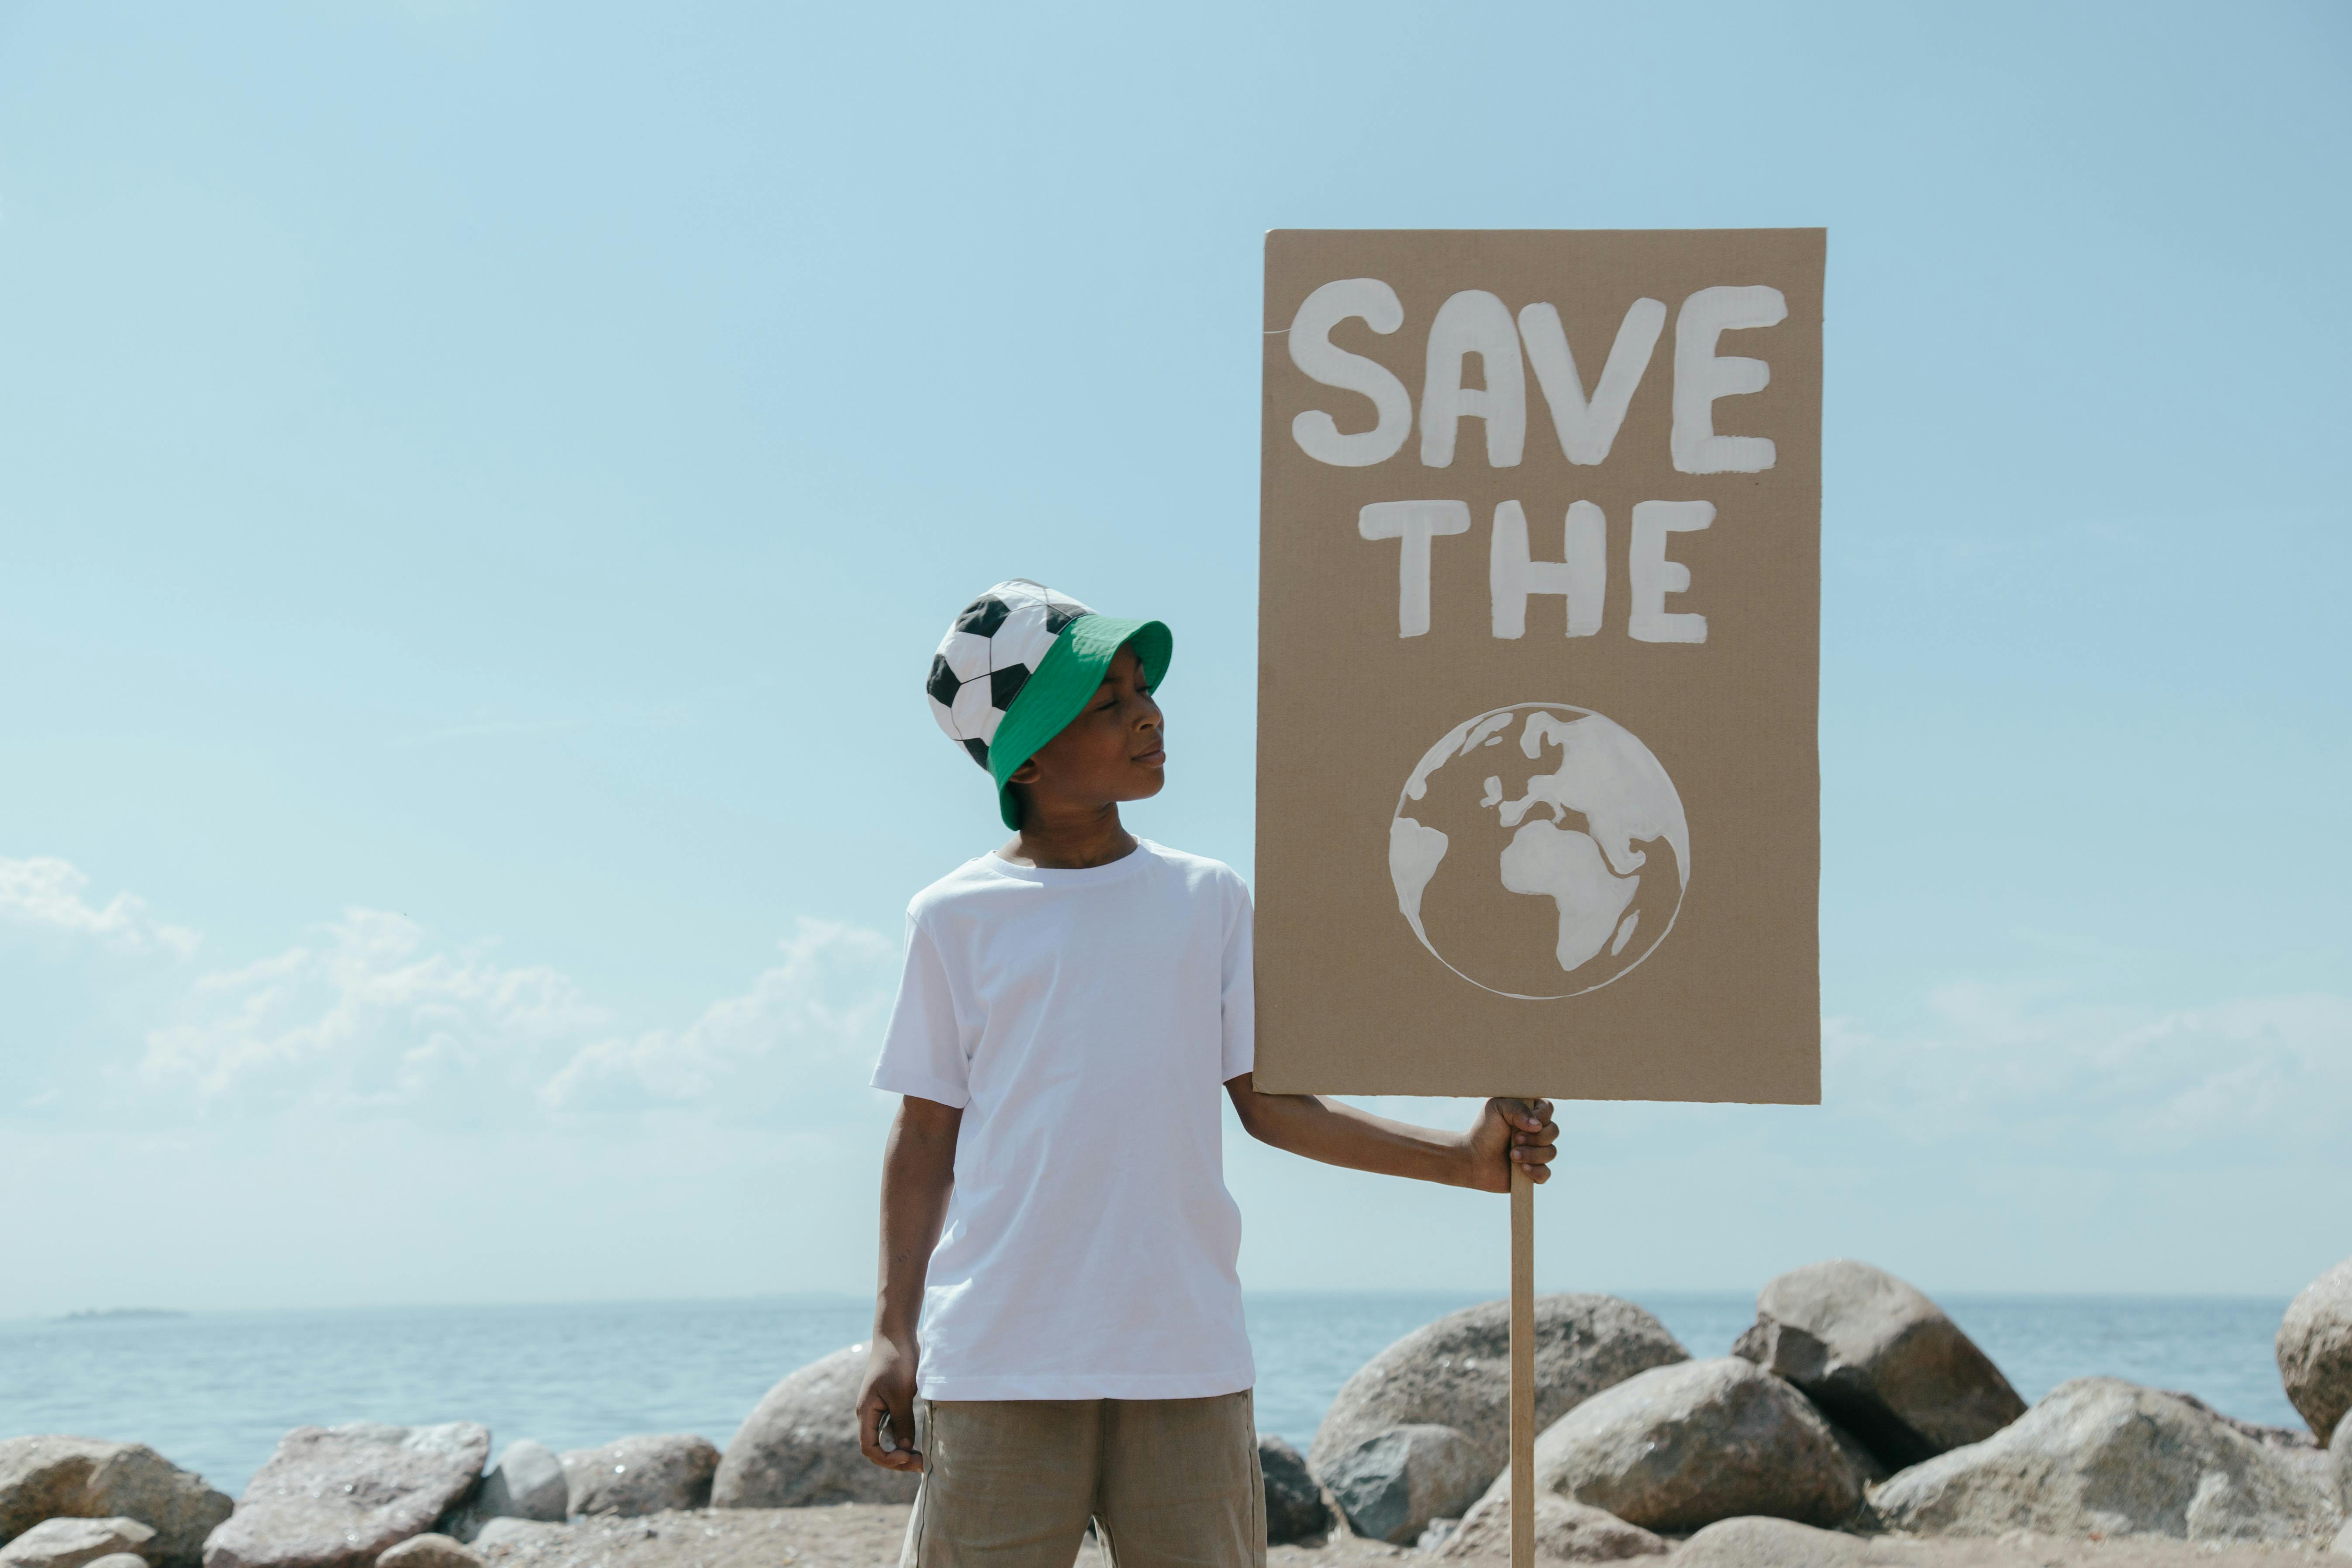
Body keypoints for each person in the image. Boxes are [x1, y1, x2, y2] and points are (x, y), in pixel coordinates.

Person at [858, 579, 1558, 1568]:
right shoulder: (954, 917)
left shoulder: (1206, 899)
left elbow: (1271, 1104)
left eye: (1142, 688)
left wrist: (1465, 1160)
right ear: (1027, 751)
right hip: (1000, 1360)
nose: (1147, 712)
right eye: (1108, 702)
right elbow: (925, 1134)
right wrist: (892, 1333)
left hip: (1181, 1354)